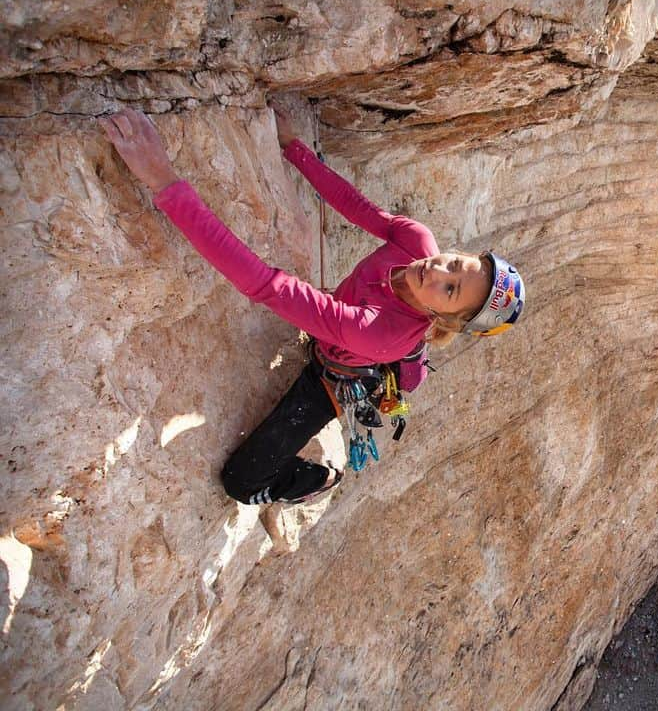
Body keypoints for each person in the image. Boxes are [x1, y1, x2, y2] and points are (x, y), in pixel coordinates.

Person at [100, 106, 525, 504]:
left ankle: (323, 477)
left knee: (243, 484)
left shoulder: (380, 332)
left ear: (442, 317)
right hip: (339, 337)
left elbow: (267, 286)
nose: (435, 271)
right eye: (454, 264)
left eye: (449, 290)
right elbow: (353, 205)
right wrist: (292, 146)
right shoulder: (416, 241)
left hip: (334, 378)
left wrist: (164, 183)